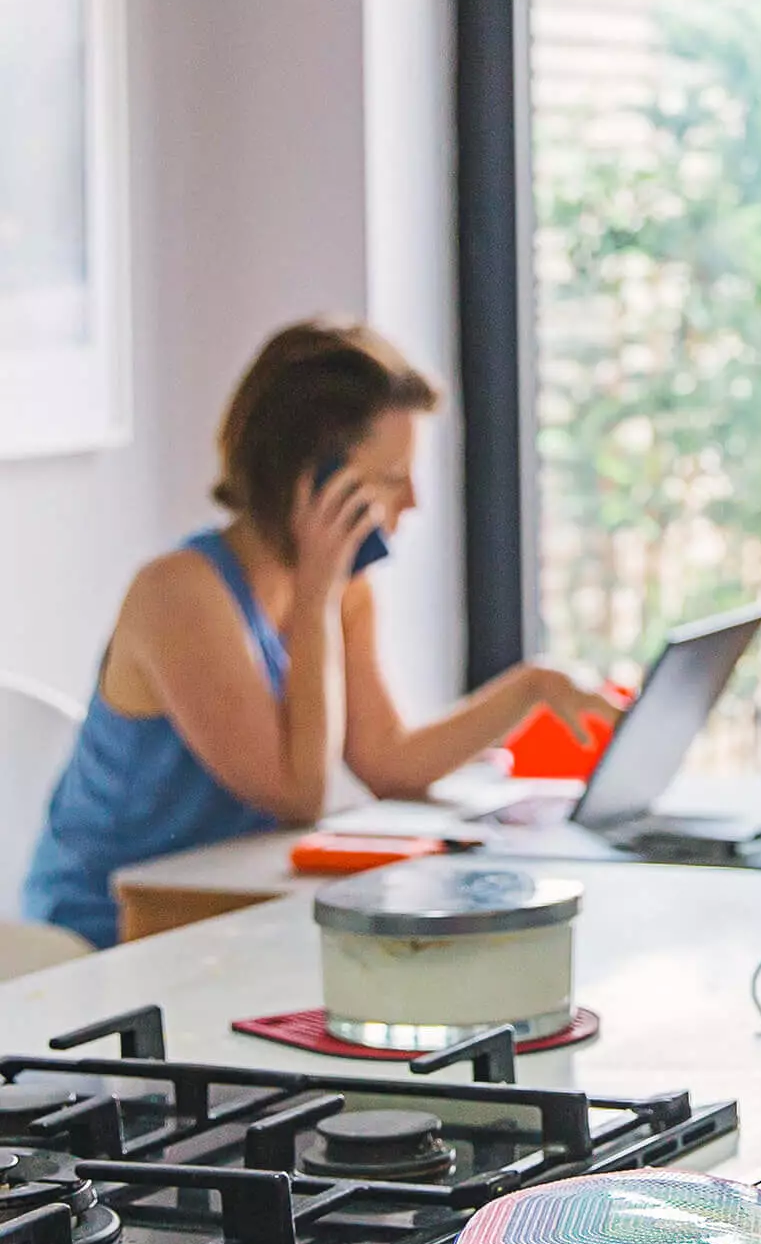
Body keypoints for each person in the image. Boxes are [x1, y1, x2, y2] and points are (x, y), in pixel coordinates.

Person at [24, 322, 619, 948]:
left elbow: (388, 764)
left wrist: (531, 688)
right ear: (310, 479)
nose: (412, 502)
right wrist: (315, 598)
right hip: (108, 935)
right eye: (392, 478)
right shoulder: (179, 594)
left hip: (230, 917)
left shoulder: (342, 594)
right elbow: (298, 796)